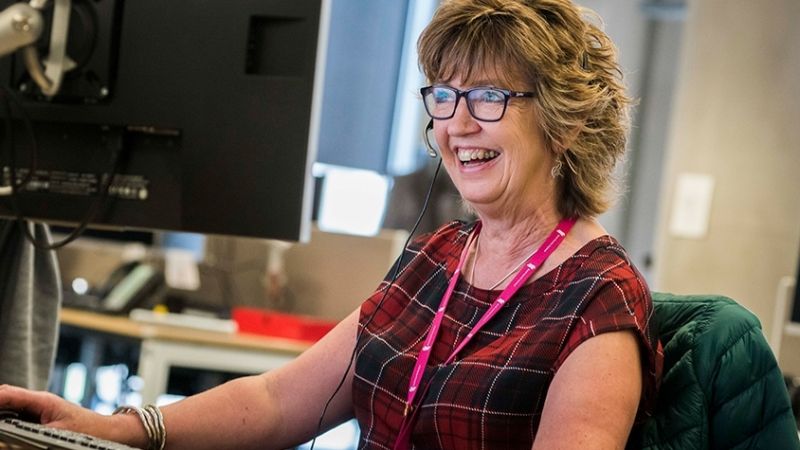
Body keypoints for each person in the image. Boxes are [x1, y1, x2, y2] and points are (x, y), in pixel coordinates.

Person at [0, 0, 662, 448]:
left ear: (566, 120)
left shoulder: (596, 297)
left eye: (489, 96)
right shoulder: (441, 256)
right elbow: (280, 402)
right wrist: (118, 429)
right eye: (444, 95)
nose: (457, 123)